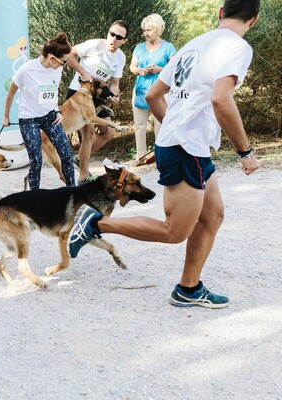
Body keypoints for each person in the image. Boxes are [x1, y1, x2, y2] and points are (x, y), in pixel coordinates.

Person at [68, 0, 261, 309]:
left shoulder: (193, 45)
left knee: (213, 215)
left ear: (221, 12)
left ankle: (188, 288)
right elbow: (221, 100)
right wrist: (245, 151)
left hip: (184, 145)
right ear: (253, 20)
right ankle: (94, 223)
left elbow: (153, 95)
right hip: (187, 148)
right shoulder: (236, 46)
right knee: (175, 231)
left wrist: (172, 129)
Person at [2, 32, 76, 190]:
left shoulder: (57, 69)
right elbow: (11, 93)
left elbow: (53, 91)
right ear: (51, 58)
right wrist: (6, 116)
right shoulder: (26, 70)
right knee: (36, 160)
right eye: (63, 62)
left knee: (67, 156)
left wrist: (57, 110)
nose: (65, 64)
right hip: (29, 120)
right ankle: (34, 198)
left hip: (50, 117)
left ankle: (73, 192)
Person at [64, 20, 129, 183]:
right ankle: (84, 177)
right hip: (80, 94)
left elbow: (114, 83)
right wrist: (83, 72)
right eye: (112, 34)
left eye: (119, 37)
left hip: (99, 98)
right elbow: (69, 55)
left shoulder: (120, 57)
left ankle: (79, 159)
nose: (114, 39)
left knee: (109, 132)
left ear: (124, 40)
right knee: (89, 134)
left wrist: (115, 96)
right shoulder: (95, 45)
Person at [130, 14, 176, 162]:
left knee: (160, 124)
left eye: (149, 29)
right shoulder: (139, 48)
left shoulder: (168, 47)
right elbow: (132, 67)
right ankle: (140, 157)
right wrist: (140, 71)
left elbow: (175, 67)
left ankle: (161, 156)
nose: (146, 33)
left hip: (161, 91)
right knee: (140, 125)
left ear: (158, 29)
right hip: (141, 90)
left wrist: (160, 69)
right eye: (144, 30)